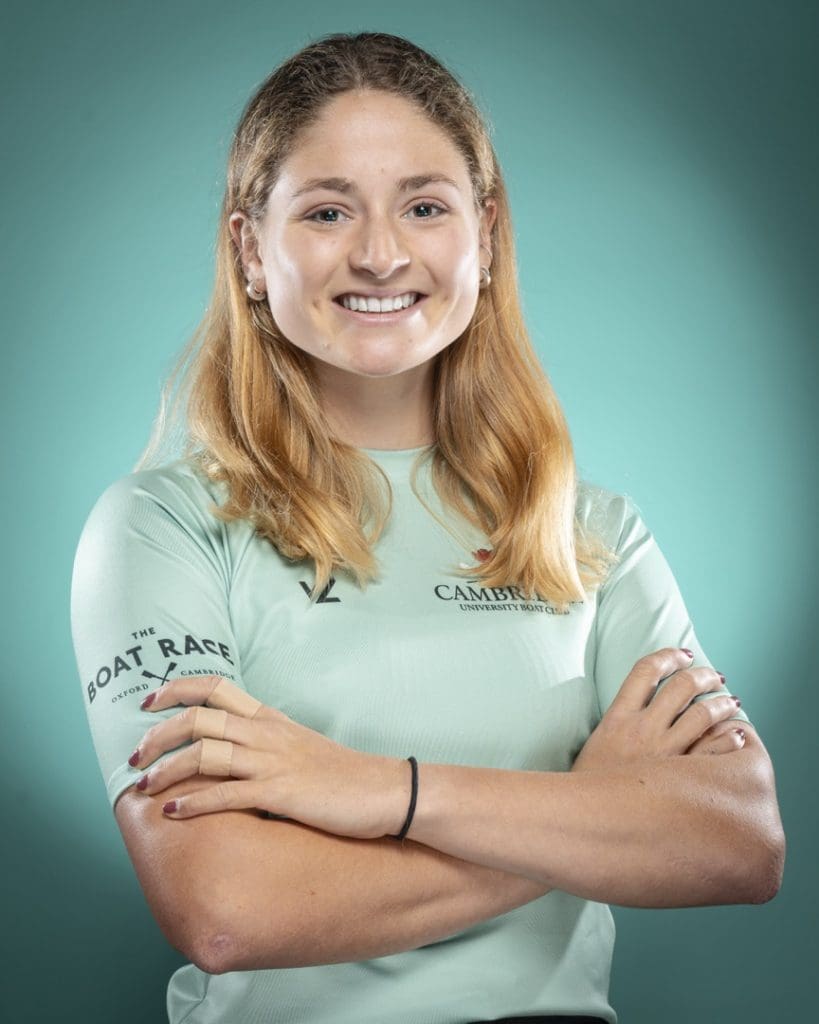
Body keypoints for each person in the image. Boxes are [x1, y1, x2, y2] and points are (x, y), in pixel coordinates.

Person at [70, 31, 784, 1024]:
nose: (380, 253)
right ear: (250, 250)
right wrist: (588, 811)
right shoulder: (161, 529)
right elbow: (226, 908)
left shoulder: (591, 532)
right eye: (327, 211)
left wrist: (381, 791)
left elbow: (739, 841)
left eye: (424, 206)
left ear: (484, 235)